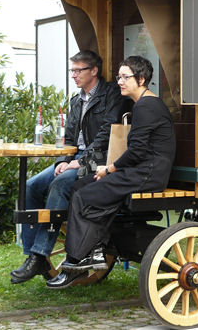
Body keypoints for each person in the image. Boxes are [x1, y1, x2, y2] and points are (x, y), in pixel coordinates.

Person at [46, 55, 176, 289]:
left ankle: (76, 260)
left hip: (148, 174)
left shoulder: (148, 106)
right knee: (80, 186)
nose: (120, 82)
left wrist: (110, 169)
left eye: (126, 77)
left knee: (86, 195)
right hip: (139, 170)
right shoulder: (143, 104)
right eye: (119, 77)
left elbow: (137, 151)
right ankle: (94, 250)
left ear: (142, 79)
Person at [10, 50, 129, 284]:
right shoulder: (77, 100)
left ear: (93, 71)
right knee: (30, 186)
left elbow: (107, 135)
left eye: (78, 70)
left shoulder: (112, 95)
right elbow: (69, 138)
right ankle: (34, 256)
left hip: (100, 159)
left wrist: (80, 162)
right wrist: (62, 160)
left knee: (61, 184)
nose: (73, 75)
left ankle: (39, 254)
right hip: (75, 157)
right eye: (71, 71)